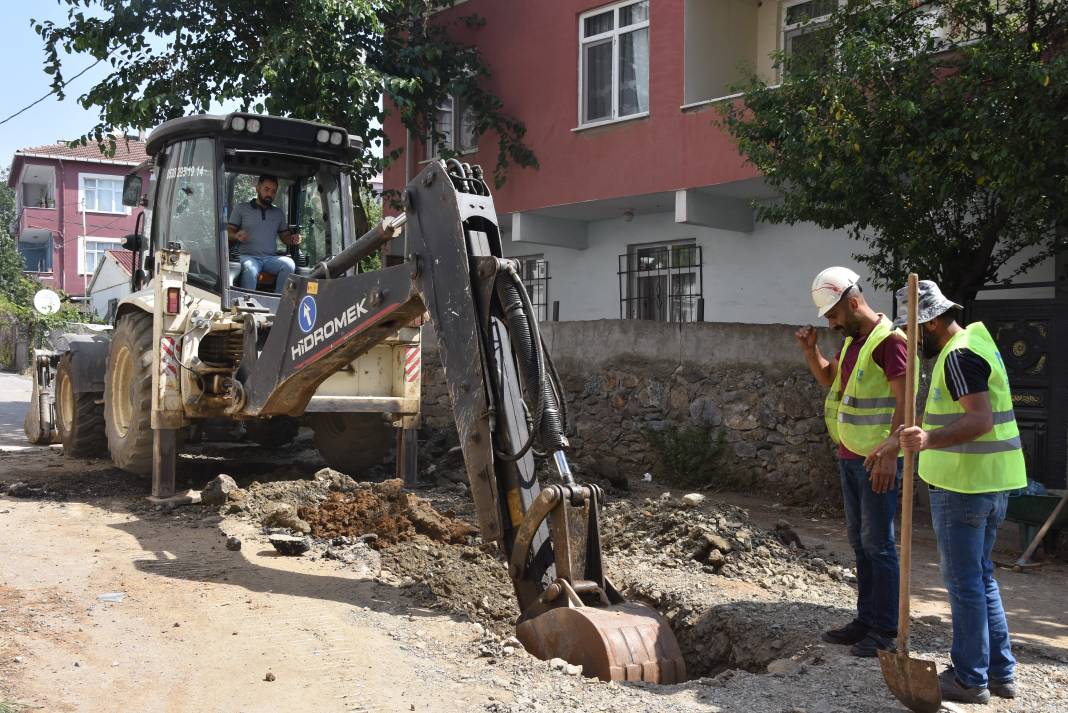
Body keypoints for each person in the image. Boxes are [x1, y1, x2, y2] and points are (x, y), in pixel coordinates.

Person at [895, 280, 1026, 704]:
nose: (912, 341)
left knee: (965, 582)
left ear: (930, 321)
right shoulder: (977, 343)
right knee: (981, 578)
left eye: (913, 330)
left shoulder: (957, 356)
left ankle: (970, 679)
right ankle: (999, 671)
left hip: (963, 486)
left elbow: (980, 420)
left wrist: (928, 440)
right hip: (990, 482)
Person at [795, 266, 909, 657]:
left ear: (853, 301)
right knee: (861, 545)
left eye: (832, 314)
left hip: (877, 460)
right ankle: (866, 619)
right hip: (851, 456)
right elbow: (830, 381)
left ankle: (885, 630)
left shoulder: (889, 341)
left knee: (879, 545)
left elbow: (906, 402)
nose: (829, 322)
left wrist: (891, 453)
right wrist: (811, 351)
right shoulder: (854, 342)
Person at [228, 175, 301, 293]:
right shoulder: (241, 208)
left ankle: (279, 302)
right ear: (257, 188)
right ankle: (247, 304)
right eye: (266, 189)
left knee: (289, 264)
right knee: (250, 269)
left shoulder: (278, 213)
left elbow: (284, 237)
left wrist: (292, 239)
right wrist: (236, 236)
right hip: (247, 256)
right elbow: (228, 233)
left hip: (269, 259)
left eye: (273, 191)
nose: (269, 194)